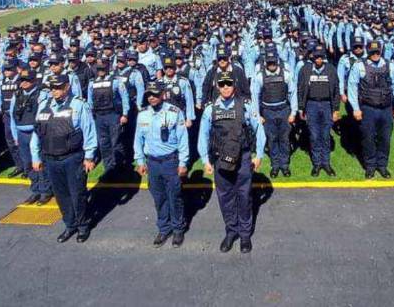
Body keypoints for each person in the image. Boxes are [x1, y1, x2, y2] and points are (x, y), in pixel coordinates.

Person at [198, 71, 266, 254]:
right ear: (217, 86)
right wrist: (205, 160)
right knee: (225, 198)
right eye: (222, 84)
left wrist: (258, 155)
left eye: (228, 84)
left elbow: (258, 128)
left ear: (234, 85)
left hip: (243, 159)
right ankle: (231, 231)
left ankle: (245, 235)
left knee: (244, 197)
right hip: (220, 160)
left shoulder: (245, 105)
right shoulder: (210, 109)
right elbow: (203, 135)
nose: (225, 87)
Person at [31, 74, 97, 243]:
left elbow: (89, 131)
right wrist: (35, 156)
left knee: (77, 194)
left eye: (59, 87)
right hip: (50, 158)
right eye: (52, 88)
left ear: (67, 87)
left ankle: (83, 226)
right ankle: (70, 225)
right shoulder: (44, 106)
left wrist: (89, 156)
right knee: (61, 195)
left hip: (72, 158)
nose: (55, 91)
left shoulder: (79, 105)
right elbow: (37, 134)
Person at [134, 81, 188, 247]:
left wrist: (183, 162)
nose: (152, 97)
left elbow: (183, 138)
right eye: (149, 95)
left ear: (163, 94)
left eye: (155, 94)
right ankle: (164, 229)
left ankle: (178, 229)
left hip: (170, 161)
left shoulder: (174, 112)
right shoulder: (142, 114)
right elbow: (138, 140)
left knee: (174, 196)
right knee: (159, 198)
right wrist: (140, 160)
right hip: (153, 163)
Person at [347, 40, 394, 178]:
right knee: (368, 138)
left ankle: (382, 165)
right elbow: (352, 87)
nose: (375, 55)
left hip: (386, 108)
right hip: (368, 108)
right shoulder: (359, 66)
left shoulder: (389, 65)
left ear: (381, 51)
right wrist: (355, 108)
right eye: (372, 52)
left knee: (385, 138)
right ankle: (370, 166)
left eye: (377, 52)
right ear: (368, 52)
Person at [251, 49, 298, 178]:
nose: (271, 64)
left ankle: (285, 165)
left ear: (277, 60)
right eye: (269, 62)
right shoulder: (260, 76)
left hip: (283, 110)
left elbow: (292, 93)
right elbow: (255, 96)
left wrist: (293, 112)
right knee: (272, 139)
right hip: (268, 112)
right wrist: (257, 114)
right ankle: (275, 166)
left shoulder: (286, 74)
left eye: (273, 62)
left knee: (284, 138)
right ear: (266, 62)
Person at [9, 66, 52, 204]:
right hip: (21, 133)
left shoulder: (42, 94)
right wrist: (15, 135)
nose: (24, 82)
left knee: (39, 163)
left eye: (27, 79)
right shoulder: (17, 94)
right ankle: (35, 190)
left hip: (36, 132)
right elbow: (12, 115)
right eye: (22, 79)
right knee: (27, 164)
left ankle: (45, 190)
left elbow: (42, 116)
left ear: (34, 80)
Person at [297, 47, 339, 176]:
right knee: (314, 135)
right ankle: (316, 164)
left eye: (321, 57)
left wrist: (336, 109)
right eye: (316, 57)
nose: (319, 59)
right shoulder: (305, 70)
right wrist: (301, 107)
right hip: (311, 104)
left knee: (325, 135)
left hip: (327, 105)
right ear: (312, 58)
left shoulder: (331, 69)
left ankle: (326, 163)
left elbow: (336, 90)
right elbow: (300, 89)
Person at [86, 59, 130, 176]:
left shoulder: (116, 81)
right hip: (99, 117)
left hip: (113, 115)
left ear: (107, 68)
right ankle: (109, 168)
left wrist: (125, 114)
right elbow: (90, 102)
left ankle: (120, 166)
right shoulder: (92, 83)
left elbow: (125, 98)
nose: (101, 71)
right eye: (99, 69)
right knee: (104, 143)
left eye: (103, 69)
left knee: (116, 142)